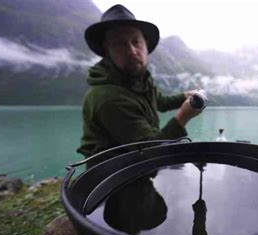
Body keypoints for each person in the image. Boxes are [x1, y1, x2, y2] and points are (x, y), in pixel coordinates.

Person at [77, 4, 202, 168]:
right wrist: (183, 117)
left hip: (136, 165)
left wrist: (185, 96)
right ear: (107, 50)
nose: (131, 50)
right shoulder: (108, 97)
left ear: (145, 45)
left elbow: (160, 102)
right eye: (120, 44)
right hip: (113, 178)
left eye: (136, 42)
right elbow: (151, 149)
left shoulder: (138, 79)